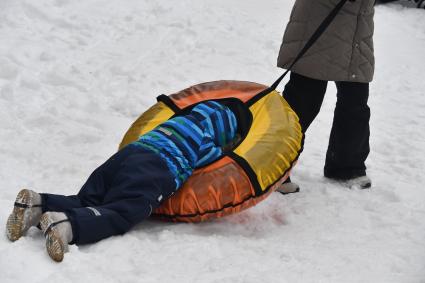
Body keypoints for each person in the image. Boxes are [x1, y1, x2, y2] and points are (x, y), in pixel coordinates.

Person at [6, 100, 239, 262]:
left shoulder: (171, 122)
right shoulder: (206, 139)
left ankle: (38, 205)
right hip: (155, 170)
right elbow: (219, 163)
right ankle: (66, 225)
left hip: (126, 156)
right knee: (122, 211)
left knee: (88, 199)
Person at [276, 0, 375, 193]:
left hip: (357, 25)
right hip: (320, 17)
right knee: (303, 101)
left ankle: (347, 167)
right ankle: (274, 168)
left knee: (355, 101)